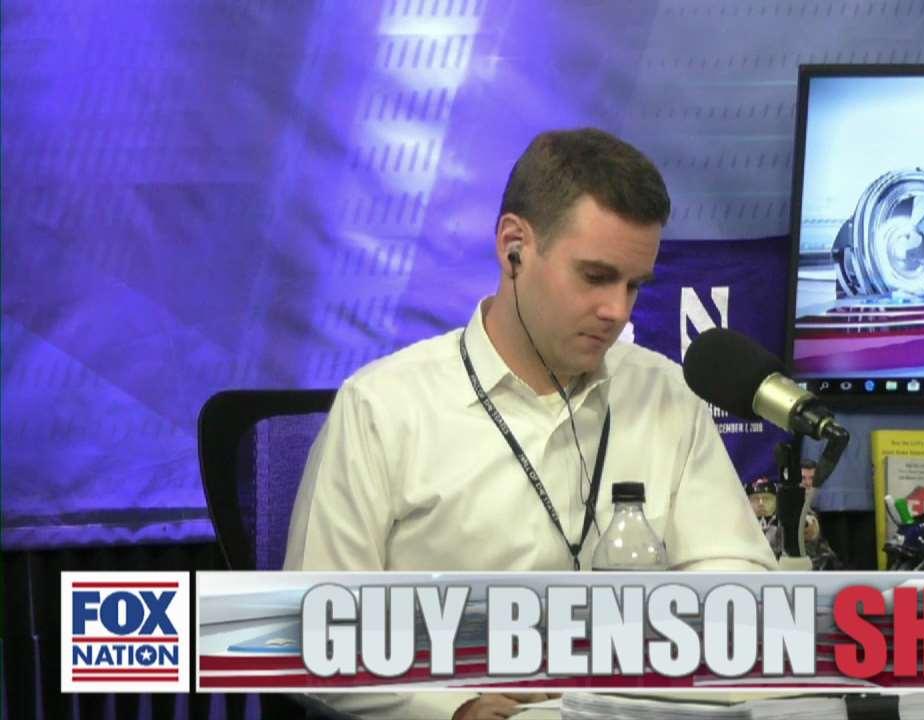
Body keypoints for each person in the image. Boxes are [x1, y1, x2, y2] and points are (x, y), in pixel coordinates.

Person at [284, 128, 777, 719]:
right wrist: (456, 707)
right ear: (514, 247)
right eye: (595, 276)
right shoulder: (382, 408)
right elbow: (313, 635)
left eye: (634, 285)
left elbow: (739, 588)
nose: (617, 310)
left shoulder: (666, 393)